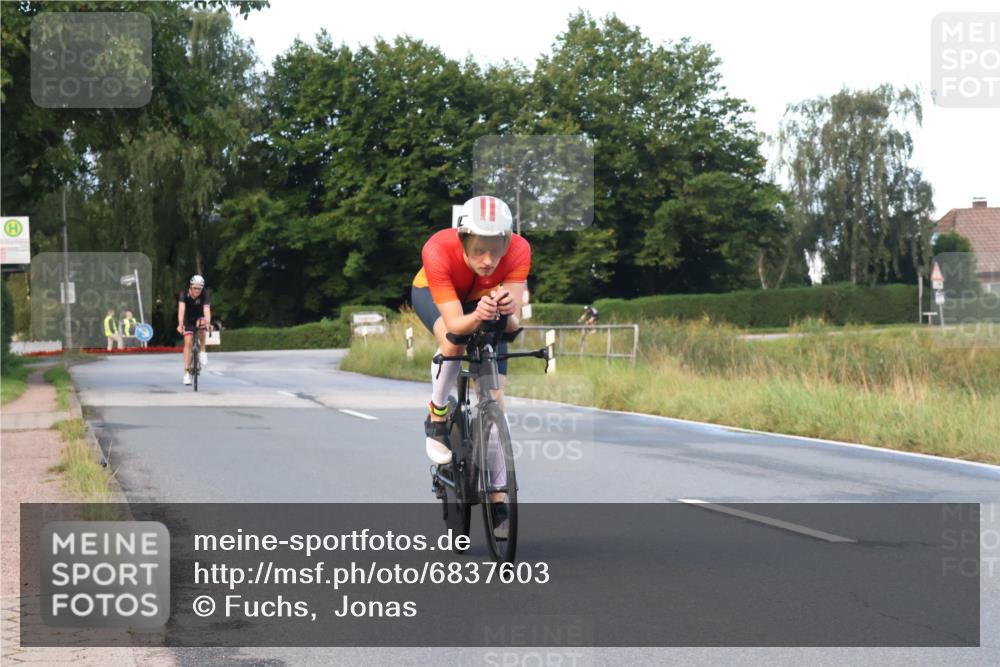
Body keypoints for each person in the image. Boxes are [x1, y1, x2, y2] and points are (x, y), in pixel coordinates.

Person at [411, 196, 530, 537]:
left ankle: (497, 498)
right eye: (478, 250)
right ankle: (437, 414)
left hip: (483, 300)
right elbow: (454, 325)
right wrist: (477, 315)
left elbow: (512, 326)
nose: (488, 260)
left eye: (496, 251)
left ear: (507, 242)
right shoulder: (438, 249)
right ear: (462, 240)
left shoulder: (520, 250)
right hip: (435, 294)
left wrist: (506, 311)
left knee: (496, 400)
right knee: (454, 343)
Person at [177, 275, 212, 386]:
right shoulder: (183, 294)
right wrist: (180, 324)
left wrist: (208, 323)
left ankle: (203, 350)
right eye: (195, 288)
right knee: (188, 342)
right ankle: (186, 373)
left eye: (199, 288)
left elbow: (206, 310)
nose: (197, 290)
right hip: (188, 317)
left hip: (199, 315)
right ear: (190, 286)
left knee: (202, 325)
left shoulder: (204, 294)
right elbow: (181, 310)